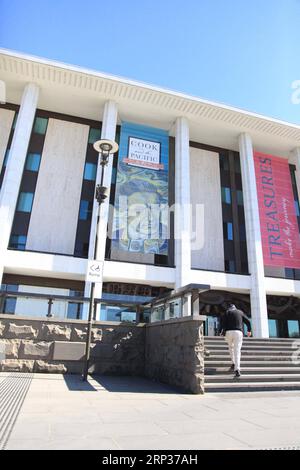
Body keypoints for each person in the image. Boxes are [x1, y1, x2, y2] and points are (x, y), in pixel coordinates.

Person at [220, 303, 252, 378]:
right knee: (237, 350)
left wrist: (220, 331)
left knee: (230, 347)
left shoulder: (226, 313)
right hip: (238, 332)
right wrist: (249, 330)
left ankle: (233, 363)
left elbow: (222, 323)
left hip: (228, 332)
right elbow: (248, 321)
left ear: (229, 308)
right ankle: (237, 369)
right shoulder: (240, 312)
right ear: (235, 307)